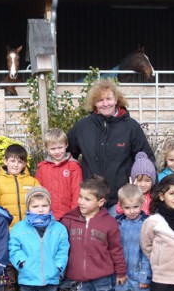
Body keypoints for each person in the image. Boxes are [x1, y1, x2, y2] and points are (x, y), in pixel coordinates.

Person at [67, 78, 155, 214]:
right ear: (94, 103)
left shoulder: (130, 126)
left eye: (109, 99)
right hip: (92, 199)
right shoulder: (82, 127)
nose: (105, 104)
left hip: (121, 200)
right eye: (100, 100)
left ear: (116, 100)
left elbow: (146, 158)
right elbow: (66, 154)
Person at [61, 175, 127, 291]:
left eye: (87, 199)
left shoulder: (109, 223)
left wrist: (121, 272)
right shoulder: (68, 220)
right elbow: (60, 248)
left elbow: (116, 249)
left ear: (101, 202)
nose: (81, 202)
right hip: (77, 277)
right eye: (80, 197)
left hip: (102, 277)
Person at [9, 187, 70, 291]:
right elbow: (14, 248)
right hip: (28, 279)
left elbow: (63, 250)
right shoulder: (20, 228)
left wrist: (58, 267)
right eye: (35, 206)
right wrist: (22, 262)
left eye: (44, 205)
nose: (40, 209)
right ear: (28, 208)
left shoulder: (58, 228)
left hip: (50, 279)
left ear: (50, 206)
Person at [114, 184, 152, 291]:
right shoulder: (117, 224)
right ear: (120, 206)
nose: (132, 211)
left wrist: (145, 276)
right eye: (127, 207)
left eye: (136, 207)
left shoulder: (146, 224)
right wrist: (116, 273)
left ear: (143, 204)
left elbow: (148, 253)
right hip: (122, 278)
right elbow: (114, 251)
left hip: (139, 278)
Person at [35, 128, 83, 220]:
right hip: (47, 216)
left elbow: (77, 192)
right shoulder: (42, 168)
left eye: (60, 147)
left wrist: (74, 215)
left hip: (68, 216)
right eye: (53, 149)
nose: (57, 152)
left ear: (66, 145)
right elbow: (38, 192)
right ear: (47, 149)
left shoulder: (74, 167)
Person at [0, 143, 40, 230]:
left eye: (20, 162)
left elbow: (39, 203)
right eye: (12, 161)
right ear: (5, 161)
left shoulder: (33, 182)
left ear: (24, 164)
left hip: (29, 229)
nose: (16, 165)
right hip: (7, 230)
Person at [116, 151, 156, 216]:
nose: (143, 184)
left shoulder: (154, 197)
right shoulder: (127, 193)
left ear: (152, 181)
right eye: (139, 181)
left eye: (147, 181)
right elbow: (119, 209)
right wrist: (131, 190)